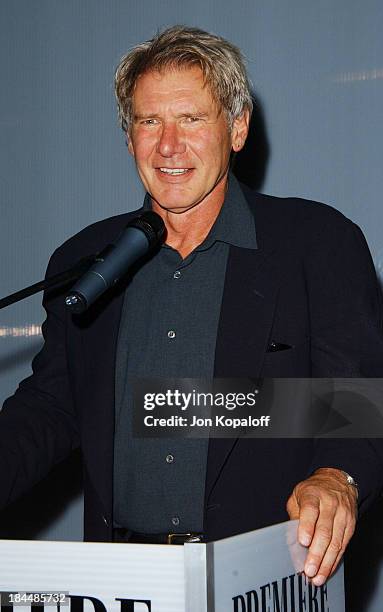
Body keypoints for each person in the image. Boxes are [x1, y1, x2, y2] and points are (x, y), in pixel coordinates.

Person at [1, 25, 382, 589]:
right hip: (120, 582)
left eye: (191, 119)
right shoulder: (84, 259)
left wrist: (336, 475)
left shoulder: (317, 243)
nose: (168, 146)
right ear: (128, 135)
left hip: (264, 580)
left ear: (238, 127)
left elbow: (356, 401)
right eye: (149, 121)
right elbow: (54, 407)